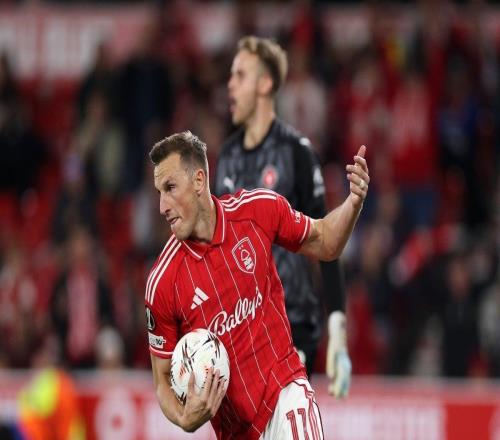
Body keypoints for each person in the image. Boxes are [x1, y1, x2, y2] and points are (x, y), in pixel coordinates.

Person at [144, 131, 369, 439]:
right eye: (159, 192)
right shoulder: (162, 282)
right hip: (236, 432)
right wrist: (184, 417)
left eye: (170, 188)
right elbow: (162, 381)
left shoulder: (256, 211)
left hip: (286, 396)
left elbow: (326, 242)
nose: (162, 206)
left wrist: (353, 203)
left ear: (198, 181)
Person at [214, 35, 350, 396]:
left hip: (291, 325)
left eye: (240, 75)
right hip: (241, 332)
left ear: (265, 83)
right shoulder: (226, 158)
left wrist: (338, 331)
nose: (230, 85)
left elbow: (327, 241)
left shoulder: (297, 153)